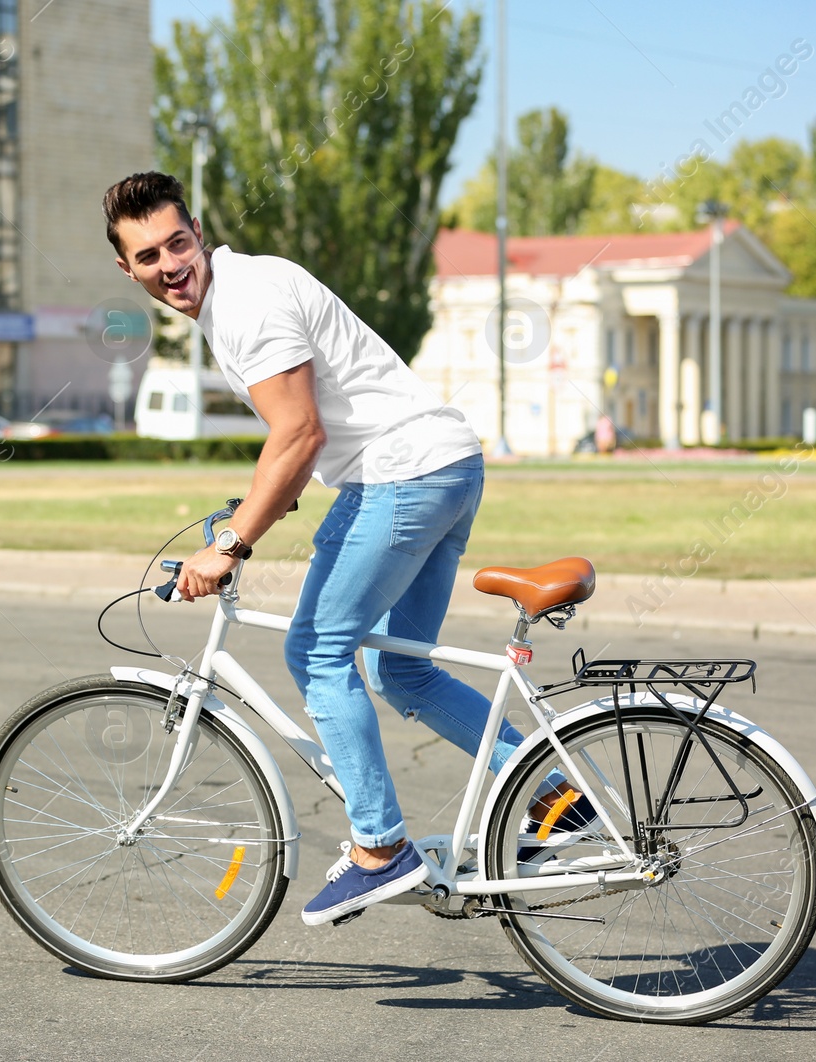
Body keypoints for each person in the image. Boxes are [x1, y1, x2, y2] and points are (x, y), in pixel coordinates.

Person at [102, 172, 581, 926]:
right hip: (446, 465)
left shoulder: (246, 305)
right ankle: (557, 797)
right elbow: (300, 434)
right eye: (150, 256)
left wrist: (230, 544)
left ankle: (378, 849)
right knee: (405, 673)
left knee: (317, 654)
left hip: (402, 478)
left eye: (178, 243)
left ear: (199, 232)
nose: (171, 265)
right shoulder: (244, 291)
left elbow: (299, 434)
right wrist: (261, 503)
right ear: (126, 269)